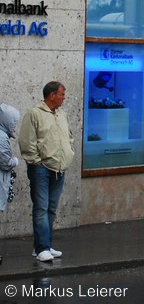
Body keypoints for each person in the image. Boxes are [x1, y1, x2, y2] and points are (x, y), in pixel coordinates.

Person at [19, 82, 74, 262]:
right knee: (41, 208)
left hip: (60, 168)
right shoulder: (34, 113)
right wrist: (36, 162)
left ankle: (44, 246)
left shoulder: (61, 114)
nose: (64, 97)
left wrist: (69, 153)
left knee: (51, 208)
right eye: (62, 94)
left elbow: (69, 136)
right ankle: (42, 247)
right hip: (41, 169)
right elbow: (27, 141)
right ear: (52, 95)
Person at [0, 104, 20, 265]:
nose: (14, 125)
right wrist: (16, 161)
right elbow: (5, 162)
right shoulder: (1, 137)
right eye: (13, 121)